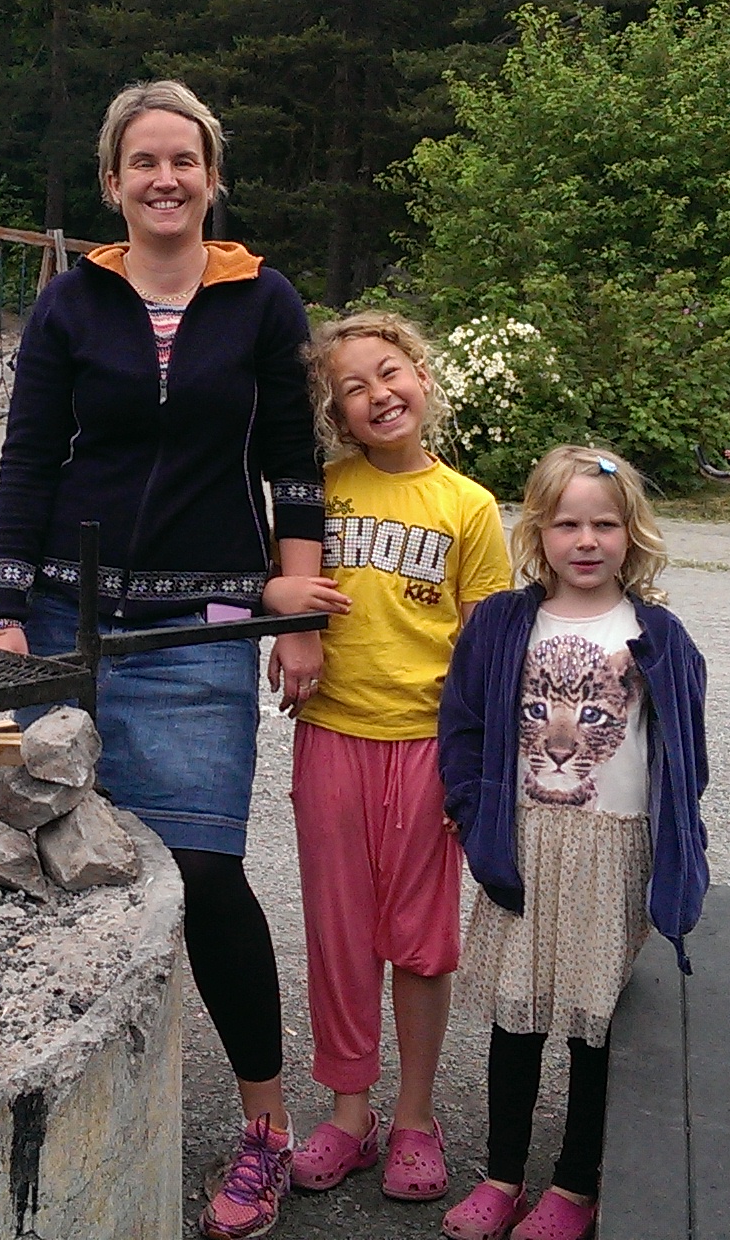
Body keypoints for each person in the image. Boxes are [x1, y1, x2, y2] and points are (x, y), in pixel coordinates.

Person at [0, 79, 325, 1240]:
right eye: (144, 161)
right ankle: (55, 1097)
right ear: (113, 181)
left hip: (199, 627)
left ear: (211, 175)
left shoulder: (263, 298)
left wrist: (298, 606)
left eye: (185, 159)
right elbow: (29, 457)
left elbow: (293, 459)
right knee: (53, 859)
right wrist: (4, 610)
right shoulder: (71, 300)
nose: (165, 178)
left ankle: (265, 1126)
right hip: (66, 618)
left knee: (208, 871)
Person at [435, 446, 712, 1240]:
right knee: (515, 1020)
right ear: (537, 532)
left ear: (632, 534)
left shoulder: (658, 634)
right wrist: (470, 810)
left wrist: (676, 841)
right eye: (566, 525)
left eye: (605, 525)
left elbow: (687, 751)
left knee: (596, 1025)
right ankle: (502, 1176)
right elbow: (462, 725)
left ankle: (576, 1184)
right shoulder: (502, 624)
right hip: (525, 845)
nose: (586, 541)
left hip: (614, 850)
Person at [272, 310, 510, 1204]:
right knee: (339, 934)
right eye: (353, 388)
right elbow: (272, 586)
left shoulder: (467, 505)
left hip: (426, 749)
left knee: (418, 939)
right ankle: (350, 1113)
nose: (378, 394)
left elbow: (487, 647)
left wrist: (475, 767)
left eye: (389, 372)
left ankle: (415, 1115)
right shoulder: (319, 494)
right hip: (333, 735)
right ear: (335, 413)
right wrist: (280, 601)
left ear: (422, 376)